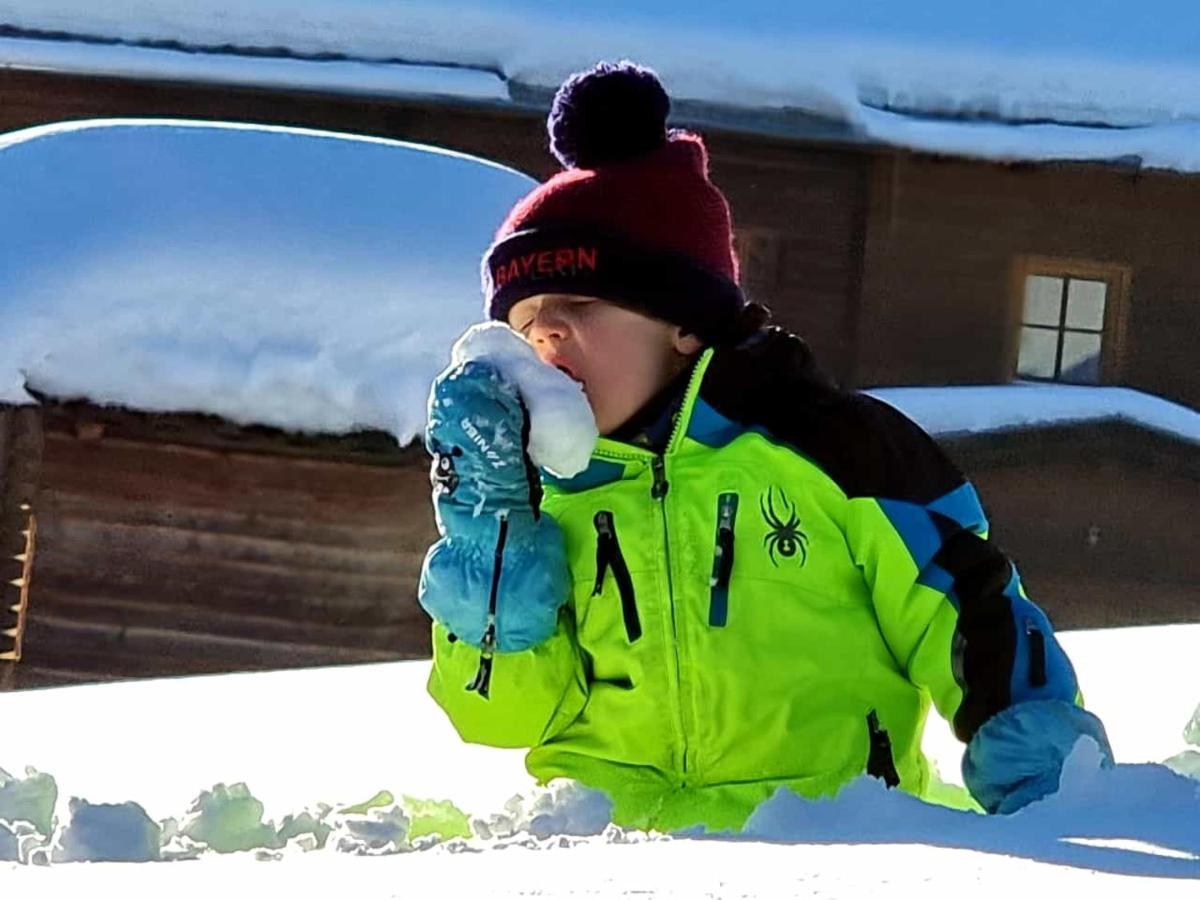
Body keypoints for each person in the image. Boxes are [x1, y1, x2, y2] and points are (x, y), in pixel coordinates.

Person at [418, 61, 1112, 832]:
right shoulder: (547, 498)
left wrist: (1040, 776)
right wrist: (493, 550)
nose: (545, 331)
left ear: (684, 322)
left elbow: (967, 612)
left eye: (578, 304)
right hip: (606, 859)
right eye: (524, 320)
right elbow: (501, 720)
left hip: (828, 847)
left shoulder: (838, 450)